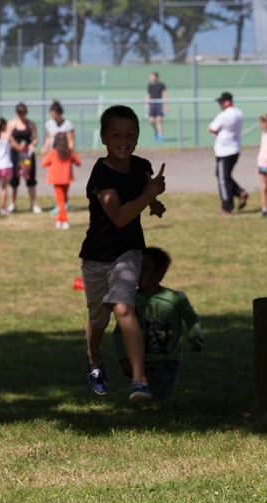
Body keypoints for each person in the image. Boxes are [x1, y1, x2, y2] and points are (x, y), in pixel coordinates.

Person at [79, 104, 168, 403]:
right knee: (99, 318)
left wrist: (153, 204)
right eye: (116, 134)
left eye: (130, 134)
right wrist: (149, 196)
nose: (123, 140)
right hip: (96, 255)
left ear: (138, 136)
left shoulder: (142, 165)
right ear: (103, 137)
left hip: (129, 252)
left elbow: (143, 196)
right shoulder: (100, 174)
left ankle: (139, 381)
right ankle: (93, 360)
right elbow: (117, 216)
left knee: (123, 308)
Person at [114, 247, 203, 401]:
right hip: (139, 360)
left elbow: (191, 319)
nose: (139, 272)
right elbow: (120, 331)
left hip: (166, 361)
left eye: (145, 268)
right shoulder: (130, 299)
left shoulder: (175, 298)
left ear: (160, 271)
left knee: (159, 397)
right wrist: (123, 358)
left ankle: (152, 418)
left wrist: (196, 336)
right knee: (143, 395)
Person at [207, 91, 247, 214]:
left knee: (223, 179)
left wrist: (216, 132)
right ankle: (239, 192)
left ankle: (227, 207)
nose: (220, 104)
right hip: (235, 148)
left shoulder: (224, 115)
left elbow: (211, 128)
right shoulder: (239, 113)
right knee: (223, 175)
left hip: (224, 151)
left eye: (221, 102)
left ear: (227, 102)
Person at [7, 102, 42, 213]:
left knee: (30, 178)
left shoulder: (30, 124)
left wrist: (31, 145)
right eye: (20, 113)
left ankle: (33, 203)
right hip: (15, 155)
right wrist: (18, 147)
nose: (22, 115)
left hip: (27, 156)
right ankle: (12, 203)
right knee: (14, 179)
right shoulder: (12, 123)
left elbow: (35, 138)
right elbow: (9, 139)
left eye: (24, 113)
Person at [42, 132, 81, 230]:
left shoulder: (53, 152)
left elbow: (44, 163)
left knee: (61, 202)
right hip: (66, 180)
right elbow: (78, 162)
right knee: (62, 200)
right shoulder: (69, 152)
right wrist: (73, 150)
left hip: (56, 180)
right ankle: (59, 221)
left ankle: (64, 221)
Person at [145, 72, 168, 143]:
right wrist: (147, 104)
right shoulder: (149, 85)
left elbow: (165, 95)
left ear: (156, 77)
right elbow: (148, 95)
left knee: (159, 120)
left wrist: (167, 105)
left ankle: (160, 136)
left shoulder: (161, 85)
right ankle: (156, 132)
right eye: (151, 76)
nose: (152, 78)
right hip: (152, 105)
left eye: (153, 76)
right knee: (151, 121)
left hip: (159, 105)